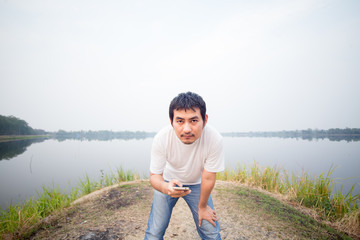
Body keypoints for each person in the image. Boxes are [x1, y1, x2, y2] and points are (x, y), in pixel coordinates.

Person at [144, 91, 225, 240]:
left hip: (197, 184)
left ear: (205, 120)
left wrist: (202, 207)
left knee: (211, 233)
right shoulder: (161, 138)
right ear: (171, 121)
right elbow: (155, 176)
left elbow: (208, 178)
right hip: (168, 182)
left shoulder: (214, 139)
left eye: (194, 120)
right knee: (154, 232)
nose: (187, 129)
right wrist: (165, 187)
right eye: (180, 121)